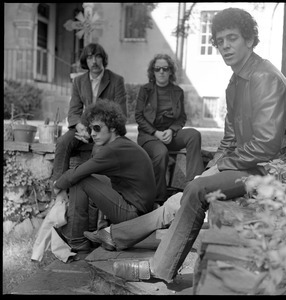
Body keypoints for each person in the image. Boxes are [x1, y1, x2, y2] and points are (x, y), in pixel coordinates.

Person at [102, 7, 286, 282]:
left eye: (232, 38)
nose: (224, 46)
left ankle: (159, 268)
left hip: (272, 170)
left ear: (250, 40)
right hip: (251, 164)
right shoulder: (235, 82)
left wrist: (218, 169)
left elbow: (266, 146)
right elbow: (229, 140)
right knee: (196, 184)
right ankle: (121, 238)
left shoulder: (265, 78)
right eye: (219, 40)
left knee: (198, 189)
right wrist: (211, 168)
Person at [52, 99, 156, 253]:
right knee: (85, 177)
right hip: (136, 210)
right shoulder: (121, 145)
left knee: (81, 179)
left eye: (97, 128)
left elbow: (79, 172)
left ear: (113, 127)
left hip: (134, 216)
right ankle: (92, 232)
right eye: (90, 128)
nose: (92, 133)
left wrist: (57, 186)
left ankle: (76, 240)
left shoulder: (113, 150)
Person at [51, 42, 127, 184]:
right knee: (62, 142)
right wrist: (80, 126)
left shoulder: (116, 81)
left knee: (99, 152)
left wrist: (96, 129)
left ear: (103, 59)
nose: (94, 61)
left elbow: (121, 114)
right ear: (85, 60)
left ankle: (96, 195)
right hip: (84, 128)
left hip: (105, 131)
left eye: (98, 57)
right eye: (90, 57)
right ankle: (58, 189)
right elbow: (74, 111)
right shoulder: (79, 81)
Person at [135, 54, 204, 203]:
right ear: (152, 72)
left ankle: (194, 186)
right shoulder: (145, 90)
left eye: (165, 69)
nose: (161, 72)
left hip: (170, 134)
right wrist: (156, 133)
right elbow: (139, 117)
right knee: (161, 153)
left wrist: (172, 130)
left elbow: (181, 118)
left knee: (194, 135)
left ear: (170, 71)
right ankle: (158, 199)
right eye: (157, 69)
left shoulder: (177, 91)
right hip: (150, 136)